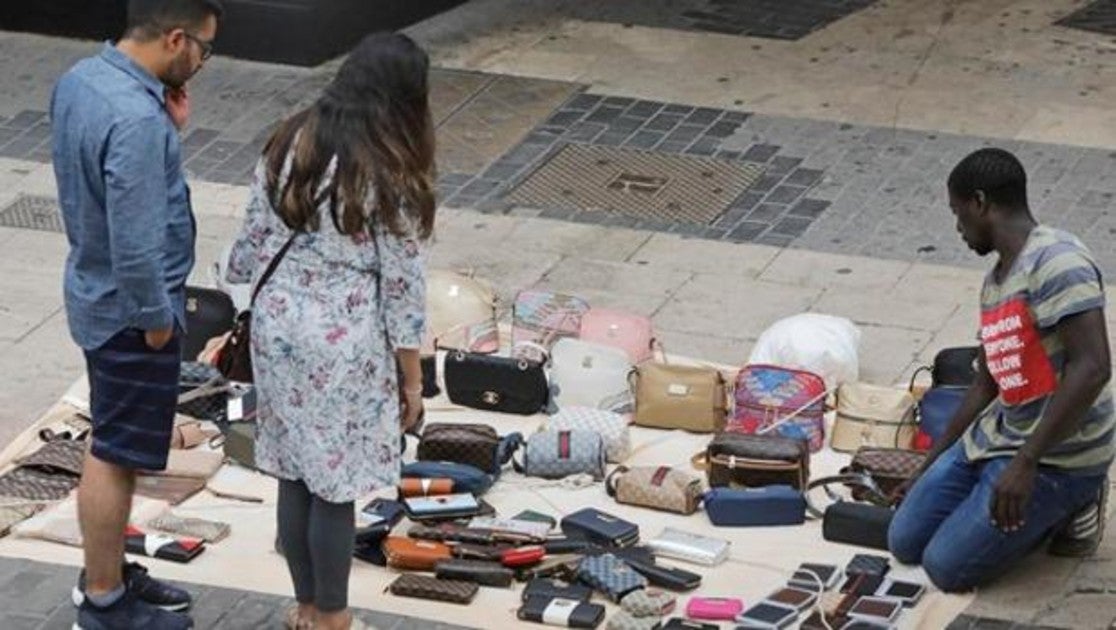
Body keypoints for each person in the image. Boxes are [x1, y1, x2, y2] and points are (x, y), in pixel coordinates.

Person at [225, 32, 434, 630]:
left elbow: (250, 243)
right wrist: (413, 378)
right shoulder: (387, 163)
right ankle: (335, 619)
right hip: (341, 336)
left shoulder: (290, 136)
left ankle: (307, 609)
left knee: (294, 472)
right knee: (335, 486)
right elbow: (401, 285)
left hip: (279, 326)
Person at [50, 0, 222, 628]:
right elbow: (136, 233)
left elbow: (100, 181)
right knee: (116, 453)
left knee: (113, 442)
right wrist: (155, 317)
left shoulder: (83, 80)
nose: (204, 61)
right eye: (204, 49)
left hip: (94, 291)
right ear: (176, 39)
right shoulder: (135, 119)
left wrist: (164, 130)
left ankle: (109, 573)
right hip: (129, 311)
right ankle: (103, 601)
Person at [888, 148, 1113, 592]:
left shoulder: (1056, 261)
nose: (957, 229)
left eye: (957, 213)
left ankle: (1075, 502)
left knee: (946, 567)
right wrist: (928, 464)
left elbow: (1094, 368)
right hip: (997, 440)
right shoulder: (995, 282)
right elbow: (986, 383)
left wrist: (1025, 464)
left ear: (980, 202)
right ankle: (996, 501)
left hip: (1056, 457)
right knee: (903, 540)